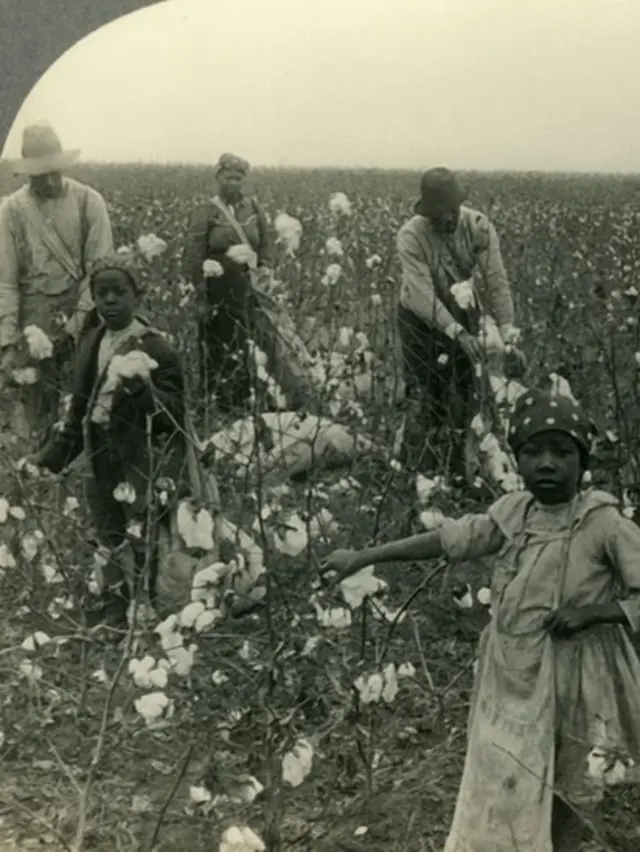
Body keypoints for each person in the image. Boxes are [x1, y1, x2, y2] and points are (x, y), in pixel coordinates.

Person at [321, 388, 640, 852]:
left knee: (567, 780)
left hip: (576, 679)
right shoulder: (513, 513)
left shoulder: (602, 523)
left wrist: (593, 613)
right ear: (516, 459)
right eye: (533, 452)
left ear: (582, 459)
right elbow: (451, 539)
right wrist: (363, 556)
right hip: (509, 674)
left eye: (562, 452)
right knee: (504, 772)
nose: (547, 464)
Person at [30, 252, 191, 627]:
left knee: (142, 529)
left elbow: (174, 415)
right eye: (102, 294)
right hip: (99, 451)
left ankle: (145, 603)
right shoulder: (92, 342)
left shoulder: (155, 348)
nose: (110, 301)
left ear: (139, 297)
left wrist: (144, 394)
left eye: (119, 292)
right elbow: (80, 412)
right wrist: (52, 458)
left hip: (138, 455)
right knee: (107, 530)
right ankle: (116, 608)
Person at [396, 167, 521, 477]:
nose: (445, 221)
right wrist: (459, 334)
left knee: (465, 391)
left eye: (449, 212)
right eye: (436, 216)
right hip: (418, 319)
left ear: (457, 206)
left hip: (461, 310)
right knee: (424, 391)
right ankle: (414, 468)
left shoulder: (478, 226)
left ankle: (456, 466)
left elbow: (496, 282)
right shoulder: (411, 236)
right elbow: (424, 297)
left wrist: (508, 337)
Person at [0, 121, 114, 442]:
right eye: (41, 174)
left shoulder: (89, 202)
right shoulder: (11, 211)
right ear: (27, 172)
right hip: (32, 320)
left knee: (84, 401)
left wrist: (75, 327)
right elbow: (5, 282)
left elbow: (99, 273)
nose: (50, 181)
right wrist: (8, 342)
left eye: (55, 172)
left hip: (83, 310)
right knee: (37, 406)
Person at [183, 152, 312, 415]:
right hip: (218, 291)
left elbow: (265, 245)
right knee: (221, 346)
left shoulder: (253, 208)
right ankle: (222, 404)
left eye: (238, 178)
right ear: (218, 177)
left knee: (261, 342)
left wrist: (265, 272)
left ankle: (259, 396)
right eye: (228, 177)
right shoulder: (205, 211)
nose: (233, 183)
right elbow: (193, 256)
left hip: (251, 289)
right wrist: (200, 296)